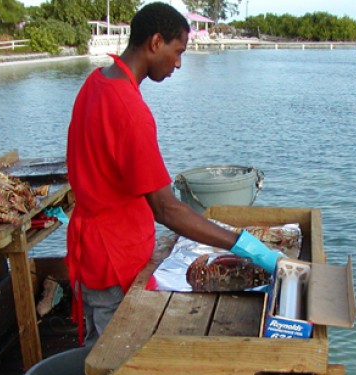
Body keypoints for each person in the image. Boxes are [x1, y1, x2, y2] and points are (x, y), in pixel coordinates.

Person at [66, 2, 280, 348]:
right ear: (155, 43)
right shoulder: (130, 112)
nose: (179, 63)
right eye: (177, 51)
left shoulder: (95, 84)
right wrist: (246, 245)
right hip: (114, 259)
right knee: (115, 366)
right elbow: (166, 209)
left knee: (95, 353)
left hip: (91, 250)